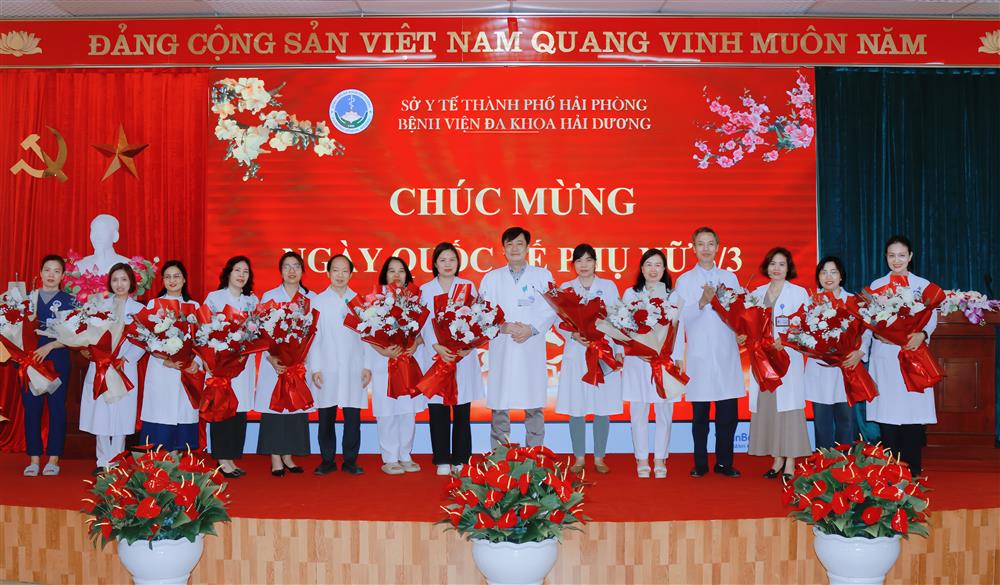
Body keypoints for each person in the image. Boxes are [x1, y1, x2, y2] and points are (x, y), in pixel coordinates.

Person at [673, 227, 745, 478]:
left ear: (717, 247)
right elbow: (680, 318)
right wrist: (703, 302)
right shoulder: (684, 281)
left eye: (710, 243)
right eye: (701, 244)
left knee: (728, 414)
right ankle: (701, 463)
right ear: (693, 248)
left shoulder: (729, 278)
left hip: (726, 352)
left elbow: (740, 313)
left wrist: (742, 330)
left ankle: (724, 462)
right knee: (700, 416)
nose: (706, 248)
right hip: (699, 354)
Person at [864, 235, 937, 475]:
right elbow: (867, 321)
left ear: (910, 256)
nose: (897, 260)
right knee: (888, 411)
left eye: (902, 255)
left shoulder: (922, 285)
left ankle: (913, 468)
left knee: (912, 411)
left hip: (911, 355)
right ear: (886, 257)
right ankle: (891, 470)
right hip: (885, 356)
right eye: (892, 255)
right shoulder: (876, 286)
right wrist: (875, 336)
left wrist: (922, 334)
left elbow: (931, 317)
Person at [479, 227, 556, 448]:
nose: (514, 248)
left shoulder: (543, 276)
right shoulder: (491, 278)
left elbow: (553, 308)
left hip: (531, 345)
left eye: (519, 244)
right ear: (503, 249)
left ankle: (536, 454)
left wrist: (531, 329)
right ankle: (500, 456)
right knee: (500, 403)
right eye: (510, 244)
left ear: (528, 247)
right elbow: (481, 312)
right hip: (503, 345)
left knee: (534, 403)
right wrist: (501, 327)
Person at [418, 243, 485, 476]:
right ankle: (442, 460)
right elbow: (422, 323)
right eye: (443, 260)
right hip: (436, 356)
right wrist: (436, 345)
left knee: (461, 410)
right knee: (438, 410)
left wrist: (466, 346)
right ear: (435, 263)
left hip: (461, 358)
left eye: (452, 259)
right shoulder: (426, 290)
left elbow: (477, 320)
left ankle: (461, 458)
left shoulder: (467, 286)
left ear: (458, 263)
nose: (448, 264)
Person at [746, 247, 811, 480]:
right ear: (767, 266)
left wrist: (786, 339)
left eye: (782, 264)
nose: (776, 268)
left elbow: (806, 325)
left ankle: (790, 461)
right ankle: (776, 459)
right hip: (762, 360)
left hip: (786, 359)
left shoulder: (799, 293)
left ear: (788, 268)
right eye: (773, 263)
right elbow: (748, 324)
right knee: (770, 408)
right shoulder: (756, 293)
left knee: (789, 410)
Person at [621, 249, 682, 479]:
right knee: (639, 411)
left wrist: (678, 357)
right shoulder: (631, 294)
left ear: (664, 269)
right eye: (649, 264)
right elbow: (623, 326)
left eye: (658, 265)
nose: (653, 269)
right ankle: (641, 459)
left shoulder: (673, 296)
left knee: (664, 411)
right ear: (642, 268)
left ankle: (660, 459)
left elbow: (679, 328)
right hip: (638, 361)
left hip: (664, 360)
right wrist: (637, 350)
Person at [255, 251, 316, 477]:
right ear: (280, 271)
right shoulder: (269, 297)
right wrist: (272, 358)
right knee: (274, 409)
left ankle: (288, 455)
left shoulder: (310, 298)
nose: (292, 271)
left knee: (294, 409)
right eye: (287, 266)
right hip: (275, 364)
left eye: (296, 266)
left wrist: (302, 357)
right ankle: (275, 457)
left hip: (298, 365)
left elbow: (315, 334)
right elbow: (260, 333)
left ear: (302, 271)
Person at [79, 263, 144, 473]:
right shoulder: (99, 306)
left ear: (131, 282)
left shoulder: (139, 310)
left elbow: (144, 340)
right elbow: (87, 334)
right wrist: (91, 351)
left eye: (124, 279)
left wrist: (126, 358)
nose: (119, 284)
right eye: (115, 280)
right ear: (110, 283)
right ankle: (102, 461)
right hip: (101, 365)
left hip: (123, 366)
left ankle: (116, 461)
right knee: (100, 412)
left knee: (121, 413)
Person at [307, 254, 369, 476]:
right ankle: (327, 460)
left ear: (351, 274)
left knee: (353, 417)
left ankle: (350, 460)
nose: (340, 275)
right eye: (336, 270)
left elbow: (367, 337)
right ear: (328, 273)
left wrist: (367, 366)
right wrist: (315, 368)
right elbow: (313, 337)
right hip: (327, 367)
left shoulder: (359, 302)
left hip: (354, 367)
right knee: (326, 416)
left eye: (345, 271)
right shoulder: (318, 301)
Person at [366, 256, 426, 475]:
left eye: (401, 271)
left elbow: (424, 333)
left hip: (407, 361)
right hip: (384, 361)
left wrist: (416, 343)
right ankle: (390, 457)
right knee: (387, 411)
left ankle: (405, 454)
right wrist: (382, 350)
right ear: (385, 275)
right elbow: (366, 333)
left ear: (407, 276)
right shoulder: (374, 301)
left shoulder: (415, 301)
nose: (396, 275)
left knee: (407, 411)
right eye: (391, 271)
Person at [203, 256, 259, 478]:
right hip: (221, 364)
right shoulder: (214, 298)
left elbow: (257, 331)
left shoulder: (252, 301)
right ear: (228, 273)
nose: (241, 275)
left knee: (239, 410)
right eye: (237, 270)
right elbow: (205, 329)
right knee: (222, 409)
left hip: (243, 365)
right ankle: (222, 459)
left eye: (245, 271)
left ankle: (232, 457)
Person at [139, 260, 201, 451]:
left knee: (184, 414)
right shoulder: (154, 304)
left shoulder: (194, 306)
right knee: (160, 414)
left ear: (184, 280)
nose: (172, 280)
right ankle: (156, 462)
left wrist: (197, 362)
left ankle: (181, 462)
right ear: (163, 280)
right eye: (167, 277)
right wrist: (165, 360)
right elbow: (147, 338)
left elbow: (203, 340)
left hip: (186, 371)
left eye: (176, 276)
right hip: (162, 370)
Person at [21, 255, 74, 476]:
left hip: (57, 360)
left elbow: (76, 335)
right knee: (31, 409)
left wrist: (51, 346)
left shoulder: (70, 301)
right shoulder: (26, 299)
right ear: (40, 273)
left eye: (56, 271)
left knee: (57, 409)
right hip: (30, 361)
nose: (51, 275)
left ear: (63, 276)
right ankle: (34, 459)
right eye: (47, 270)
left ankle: (53, 458)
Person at [805, 256, 863, 449]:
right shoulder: (811, 302)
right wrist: (808, 346)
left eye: (833, 272)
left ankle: (845, 462)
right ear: (818, 277)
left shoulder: (853, 301)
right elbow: (802, 331)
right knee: (821, 422)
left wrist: (860, 352)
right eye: (823, 272)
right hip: (820, 367)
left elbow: (866, 331)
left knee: (846, 420)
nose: (828, 277)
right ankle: (824, 461)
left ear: (841, 276)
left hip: (845, 368)